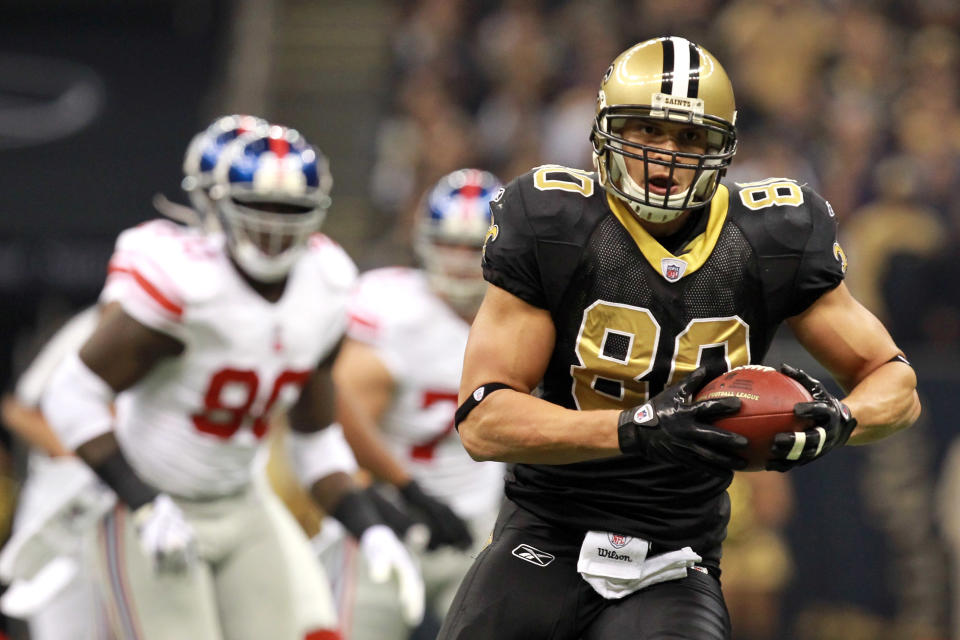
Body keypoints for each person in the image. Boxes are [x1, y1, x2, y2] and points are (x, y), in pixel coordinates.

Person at [439, 36, 921, 640]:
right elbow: (483, 422)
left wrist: (841, 419)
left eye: (690, 137)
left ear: (723, 148)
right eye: (646, 131)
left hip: (674, 558)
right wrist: (638, 428)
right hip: (545, 538)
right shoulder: (554, 222)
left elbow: (896, 382)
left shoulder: (774, 234)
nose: (666, 155)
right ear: (605, 133)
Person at [41, 117, 424, 640]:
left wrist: (368, 526)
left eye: (290, 209)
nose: (273, 225)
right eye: (259, 206)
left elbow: (314, 437)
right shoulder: (185, 283)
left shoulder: (328, 284)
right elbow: (70, 394)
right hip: (152, 505)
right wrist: (143, 500)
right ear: (219, 204)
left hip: (241, 500)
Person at [325, 169, 506, 639]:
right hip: (384, 519)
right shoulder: (392, 311)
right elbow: (338, 427)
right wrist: (388, 506)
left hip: (474, 523)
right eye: (450, 244)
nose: (462, 261)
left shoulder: (521, 317)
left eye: (476, 246)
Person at [0, 307, 114, 640]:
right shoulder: (97, 324)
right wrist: (95, 455)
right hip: (66, 509)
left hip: (135, 514)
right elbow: (18, 409)